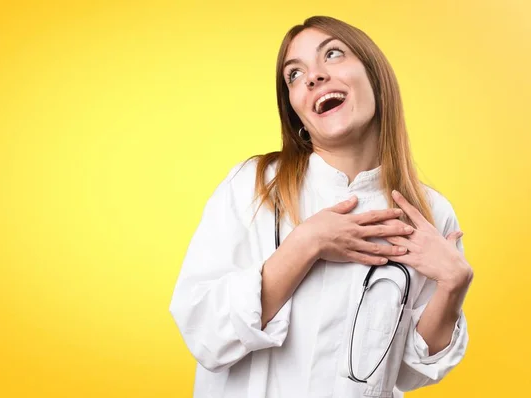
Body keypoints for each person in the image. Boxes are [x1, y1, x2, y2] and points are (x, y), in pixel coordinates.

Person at [169, 15, 473, 398]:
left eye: (332, 54)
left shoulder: (429, 213)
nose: (312, 77)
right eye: (294, 75)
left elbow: (409, 373)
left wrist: (452, 287)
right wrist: (305, 244)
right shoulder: (253, 185)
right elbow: (205, 331)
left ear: (375, 76)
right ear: (296, 111)